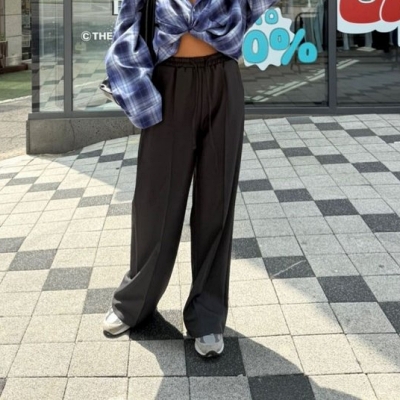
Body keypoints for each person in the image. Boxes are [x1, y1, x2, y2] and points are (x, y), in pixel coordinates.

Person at [102, 0, 279, 357]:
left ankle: (207, 316)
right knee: (155, 202)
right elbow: (127, 26)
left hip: (222, 78)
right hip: (168, 82)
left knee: (216, 202)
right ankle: (134, 304)